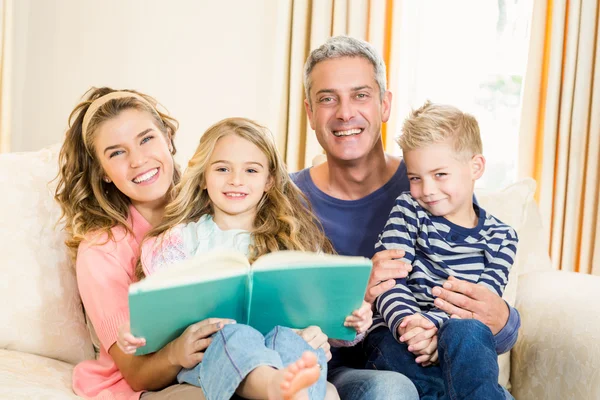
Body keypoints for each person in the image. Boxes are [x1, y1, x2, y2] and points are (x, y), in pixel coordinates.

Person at [54, 88, 331, 400]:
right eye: (116, 153)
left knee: (326, 390)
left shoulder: (218, 198)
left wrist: (312, 333)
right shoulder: (102, 249)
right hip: (156, 380)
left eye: (147, 139)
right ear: (102, 172)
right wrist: (174, 352)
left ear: (169, 139)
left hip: (249, 354)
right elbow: (135, 372)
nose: (138, 160)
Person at [292, 35, 520, 399]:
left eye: (361, 95)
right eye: (327, 98)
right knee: (392, 389)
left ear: (385, 105)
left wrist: (502, 318)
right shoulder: (285, 200)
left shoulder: (430, 181)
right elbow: (271, 315)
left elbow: (479, 281)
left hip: (444, 345)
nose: (345, 112)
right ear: (309, 113)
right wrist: (356, 296)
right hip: (342, 367)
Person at [116, 117, 373, 400]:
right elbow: (156, 314)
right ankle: (273, 387)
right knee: (233, 334)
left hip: (284, 353)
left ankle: (287, 388)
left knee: (294, 342)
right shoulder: (177, 242)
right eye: (223, 169)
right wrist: (133, 334)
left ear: (269, 181)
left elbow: (334, 322)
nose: (236, 180)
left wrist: (354, 320)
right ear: (203, 177)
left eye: (251, 170)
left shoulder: (296, 241)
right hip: (212, 358)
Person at [368, 100, 519, 399]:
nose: (427, 189)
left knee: (471, 332)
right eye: (415, 178)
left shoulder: (502, 237)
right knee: (387, 345)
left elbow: (476, 305)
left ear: (475, 167)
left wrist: (433, 328)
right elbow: (388, 281)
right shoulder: (408, 209)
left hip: (456, 335)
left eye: (440, 175)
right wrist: (410, 324)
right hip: (398, 332)